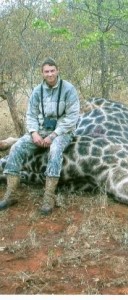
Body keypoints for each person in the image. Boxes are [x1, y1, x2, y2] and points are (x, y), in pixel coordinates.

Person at [0, 58, 80, 215]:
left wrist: (53, 135)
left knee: (55, 149)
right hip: (41, 130)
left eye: (52, 70)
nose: (50, 74)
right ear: (42, 73)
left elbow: (72, 118)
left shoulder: (69, 89)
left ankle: (49, 198)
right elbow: (31, 115)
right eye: (46, 71)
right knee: (16, 147)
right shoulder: (37, 91)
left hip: (63, 131)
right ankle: (11, 195)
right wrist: (34, 133)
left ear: (57, 71)